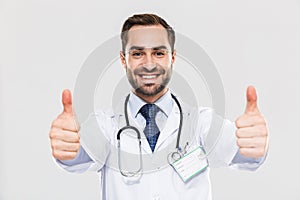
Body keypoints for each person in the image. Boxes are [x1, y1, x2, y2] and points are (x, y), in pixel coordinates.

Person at [49, 13, 269, 200]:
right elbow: (78, 156)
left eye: (158, 52)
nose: (149, 64)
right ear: (123, 60)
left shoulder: (201, 123)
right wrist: (68, 149)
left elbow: (242, 152)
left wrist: (255, 145)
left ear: (172, 57)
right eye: (137, 53)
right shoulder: (106, 125)